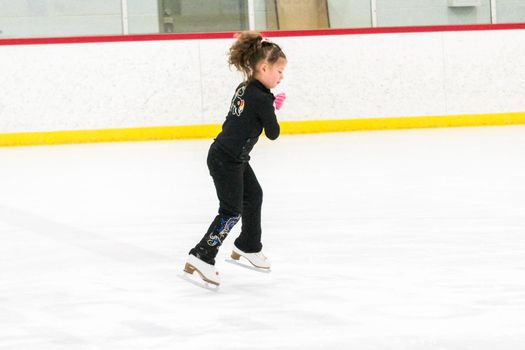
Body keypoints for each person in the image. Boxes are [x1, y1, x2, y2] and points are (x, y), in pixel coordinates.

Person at [184, 31, 287, 286]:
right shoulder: (263, 98)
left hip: (228, 155)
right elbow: (273, 133)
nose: (281, 77)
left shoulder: (245, 87)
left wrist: (269, 106)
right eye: (279, 71)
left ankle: (248, 245)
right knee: (231, 211)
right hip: (227, 160)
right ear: (264, 67)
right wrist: (273, 109)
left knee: (254, 195)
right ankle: (201, 255)